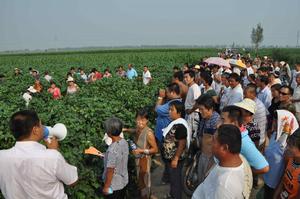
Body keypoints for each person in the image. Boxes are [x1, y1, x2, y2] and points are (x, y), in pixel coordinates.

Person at [0, 110, 78, 198]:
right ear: (35, 130)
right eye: (41, 125)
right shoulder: (52, 157)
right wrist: (54, 150)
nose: (43, 127)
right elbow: (72, 181)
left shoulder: (2, 156)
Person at [192, 124, 252, 199]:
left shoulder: (225, 186)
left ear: (224, 148)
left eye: (213, 140)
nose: (210, 142)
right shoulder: (237, 158)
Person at [221, 106, 269, 174]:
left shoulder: (243, 142)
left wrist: (241, 172)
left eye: (223, 120)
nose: (218, 124)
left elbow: (264, 168)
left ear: (234, 123)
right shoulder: (234, 135)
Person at [123, 109, 158, 199]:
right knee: (140, 180)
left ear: (147, 121)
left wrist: (141, 151)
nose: (139, 122)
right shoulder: (138, 129)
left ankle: (146, 196)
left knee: (144, 182)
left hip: (144, 160)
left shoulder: (149, 133)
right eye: (138, 119)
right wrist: (126, 130)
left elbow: (155, 149)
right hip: (138, 159)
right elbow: (134, 130)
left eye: (142, 120)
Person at [155, 83, 181, 184]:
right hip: (165, 136)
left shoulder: (173, 104)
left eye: (167, 92)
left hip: (166, 138)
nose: (165, 93)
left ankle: (170, 179)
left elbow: (157, 109)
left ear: (173, 92)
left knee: (167, 159)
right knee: (166, 159)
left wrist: (160, 97)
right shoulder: (173, 102)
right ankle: (168, 177)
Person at [162, 100, 189, 199]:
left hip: (175, 159)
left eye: (171, 110)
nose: (169, 111)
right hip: (171, 158)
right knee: (173, 180)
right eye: (169, 109)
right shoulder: (175, 123)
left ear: (179, 112)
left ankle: (176, 196)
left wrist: (176, 158)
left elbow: (182, 143)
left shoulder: (180, 126)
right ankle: (173, 195)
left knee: (176, 180)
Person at [195, 95, 221, 183]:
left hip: (211, 158)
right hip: (204, 154)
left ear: (210, 109)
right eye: (199, 109)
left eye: (202, 109)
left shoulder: (216, 121)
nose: (200, 111)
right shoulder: (204, 118)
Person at [102, 117, 128, 199]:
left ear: (109, 133)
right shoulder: (124, 142)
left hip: (113, 187)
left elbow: (110, 170)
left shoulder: (112, 150)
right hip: (123, 181)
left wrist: (106, 187)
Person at [274, 129, 300, 199]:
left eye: (291, 146)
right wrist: (276, 195)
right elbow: (283, 180)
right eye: (288, 145)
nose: (287, 149)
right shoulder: (290, 159)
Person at [244, 84, 268, 150]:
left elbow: (245, 121)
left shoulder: (254, 105)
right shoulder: (257, 102)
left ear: (253, 94)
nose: (244, 96)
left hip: (256, 140)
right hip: (260, 136)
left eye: (245, 94)